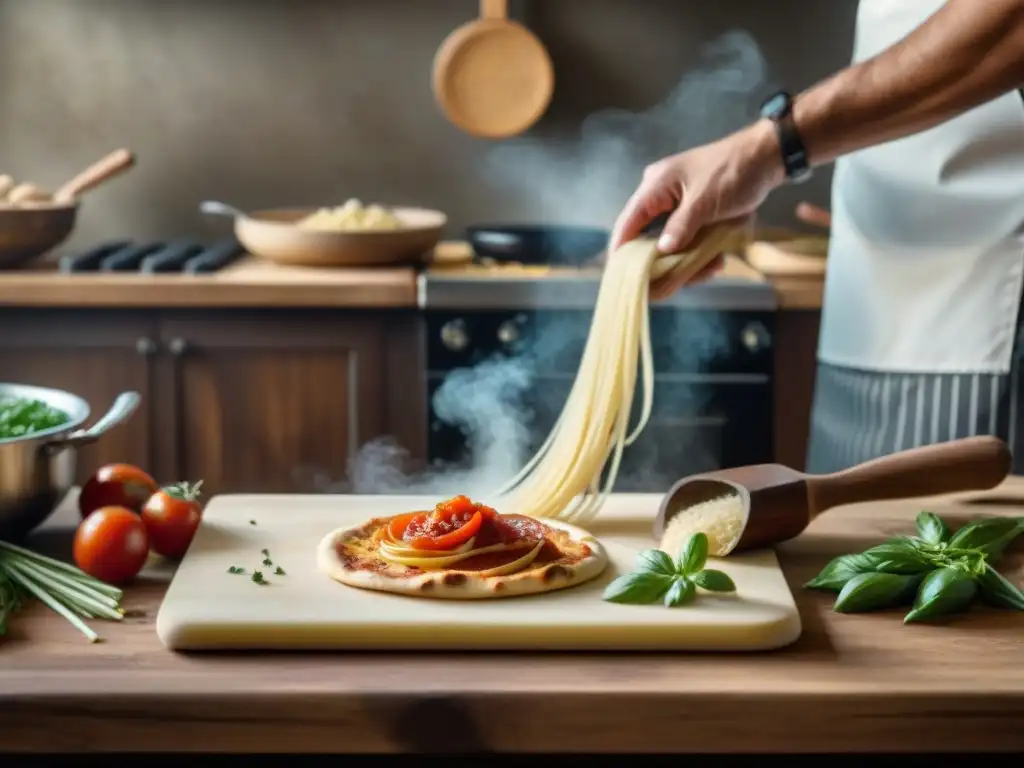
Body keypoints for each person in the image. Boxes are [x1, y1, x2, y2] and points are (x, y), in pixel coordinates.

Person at [610, 0, 1024, 473]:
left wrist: (770, 149)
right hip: (867, 293)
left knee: (953, 544)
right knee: (851, 541)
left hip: (989, 304)